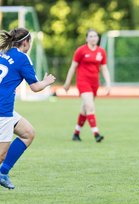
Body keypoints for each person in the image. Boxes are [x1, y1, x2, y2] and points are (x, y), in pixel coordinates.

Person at [0, 28, 56, 189]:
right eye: (30, 42)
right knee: (1, 155)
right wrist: (47, 81)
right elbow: (35, 87)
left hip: (5, 109)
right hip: (2, 109)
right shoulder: (22, 58)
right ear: (25, 42)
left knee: (28, 133)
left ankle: (3, 173)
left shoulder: (4, 53)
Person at [64, 29, 111, 142]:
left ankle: (76, 133)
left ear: (98, 38)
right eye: (90, 36)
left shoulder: (101, 52)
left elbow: (104, 68)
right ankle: (96, 134)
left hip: (94, 83)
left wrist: (108, 84)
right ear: (86, 39)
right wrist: (67, 82)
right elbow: (73, 67)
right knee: (90, 107)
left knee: (85, 108)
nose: (93, 38)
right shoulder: (81, 50)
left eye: (95, 36)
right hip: (83, 82)